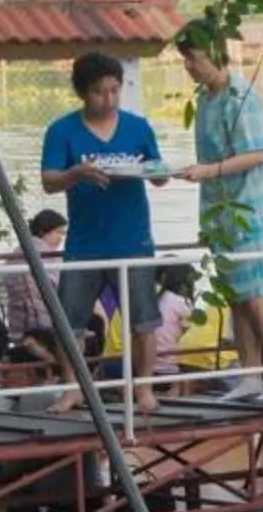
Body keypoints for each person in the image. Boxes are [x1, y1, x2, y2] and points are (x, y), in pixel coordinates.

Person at [177, 28, 263, 399]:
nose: (189, 66)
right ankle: (250, 375)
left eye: (194, 57)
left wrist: (208, 170)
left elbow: (258, 152)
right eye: (186, 59)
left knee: (256, 294)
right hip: (220, 211)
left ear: (213, 54)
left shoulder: (238, 95)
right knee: (235, 297)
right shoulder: (206, 100)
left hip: (250, 207)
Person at [38, 50, 169, 358]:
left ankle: (145, 387)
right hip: (84, 243)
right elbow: (48, 181)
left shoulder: (138, 127)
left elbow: (158, 173)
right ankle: (74, 387)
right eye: (99, 92)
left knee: (144, 322)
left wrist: (162, 172)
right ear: (83, 93)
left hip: (133, 240)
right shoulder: (62, 131)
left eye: (114, 90)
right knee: (69, 323)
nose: (108, 99)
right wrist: (76, 173)